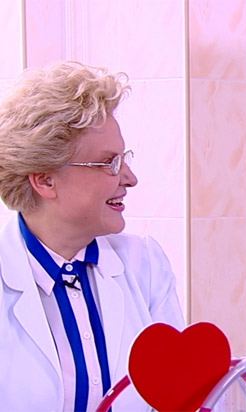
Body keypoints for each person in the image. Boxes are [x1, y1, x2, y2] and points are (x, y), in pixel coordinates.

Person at [0, 61, 185, 411]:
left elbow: (178, 398)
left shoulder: (144, 266)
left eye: (124, 159)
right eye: (108, 163)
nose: (129, 178)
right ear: (45, 180)